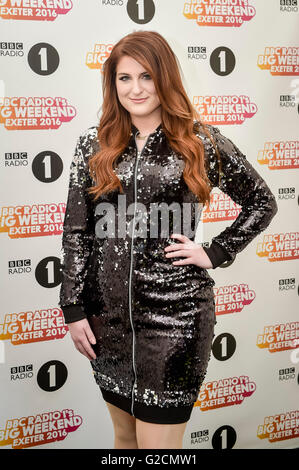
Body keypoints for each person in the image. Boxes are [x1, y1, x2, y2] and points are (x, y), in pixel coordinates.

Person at [58, 30, 278, 449]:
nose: (136, 88)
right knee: (124, 438)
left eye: (146, 76)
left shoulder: (200, 141)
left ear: (165, 78)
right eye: (124, 78)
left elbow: (262, 202)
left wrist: (215, 251)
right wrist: (72, 307)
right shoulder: (92, 143)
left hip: (176, 318)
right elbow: (76, 232)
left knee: (159, 449)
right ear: (112, 83)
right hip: (109, 323)